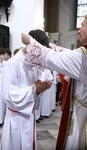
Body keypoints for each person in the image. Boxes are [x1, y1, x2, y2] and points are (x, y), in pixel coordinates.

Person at [21, 14, 87, 150]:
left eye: (83, 25)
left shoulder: (84, 57)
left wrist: (31, 43)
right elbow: (66, 53)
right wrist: (44, 44)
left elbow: (55, 58)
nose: (79, 30)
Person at [0, 29, 52, 150]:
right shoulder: (12, 64)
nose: (38, 56)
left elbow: (35, 92)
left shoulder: (34, 65)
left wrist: (40, 89)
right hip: (16, 118)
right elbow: (8, 96)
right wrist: (34, 89)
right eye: (37, 52)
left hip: (29, 116)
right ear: (29, 46)